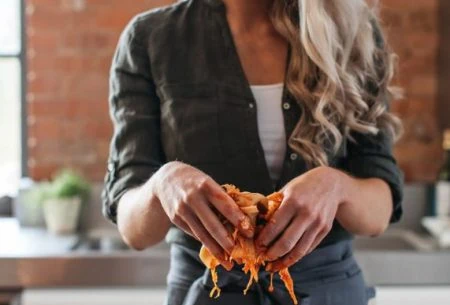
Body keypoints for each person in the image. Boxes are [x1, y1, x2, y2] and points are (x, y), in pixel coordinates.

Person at [102, 0, 404, 304]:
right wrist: (161, 184)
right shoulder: (150, 37)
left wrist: (337, 187)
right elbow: (134, 231)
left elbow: (379, 214)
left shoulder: (352, 30)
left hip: (327, 292)